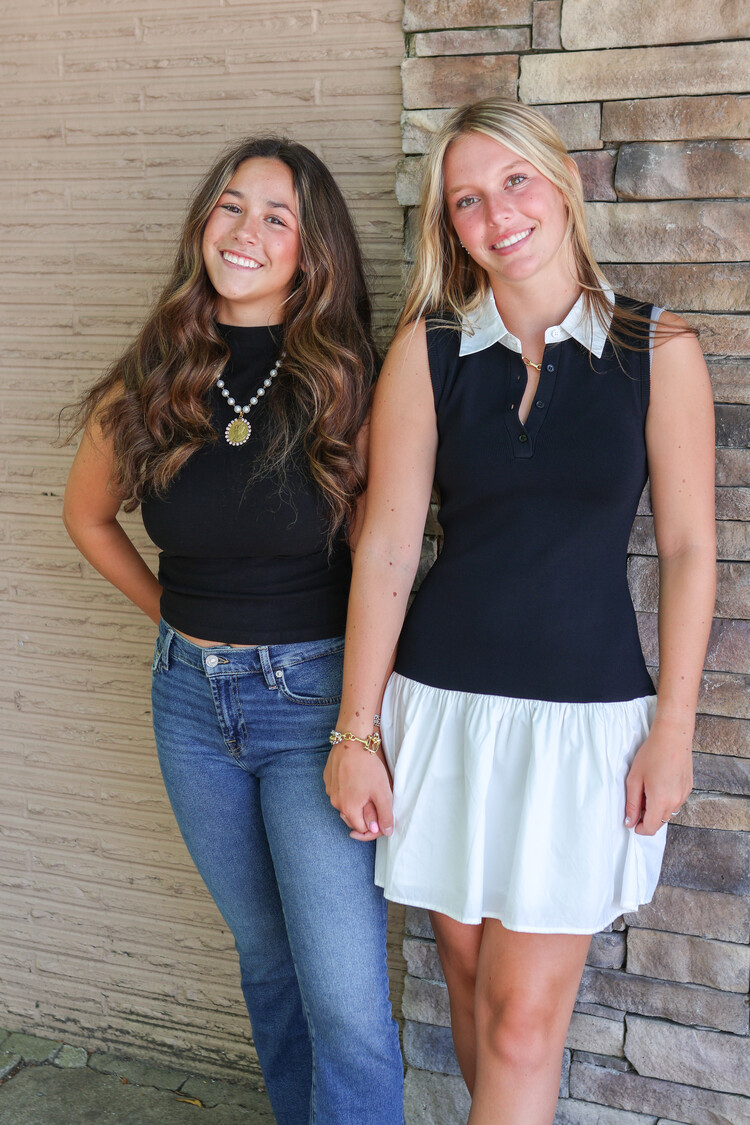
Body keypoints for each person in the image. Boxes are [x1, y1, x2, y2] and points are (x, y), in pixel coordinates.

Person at [325, 98, 715, 1125]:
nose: (496, 215)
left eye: (514, 182)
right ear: (449, 226)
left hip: (587, 729)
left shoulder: (657, 348)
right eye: (467, 200)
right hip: (442, 715)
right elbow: (388, 549)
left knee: (519, 1029)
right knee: (471, 997)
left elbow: (687, 551)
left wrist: (675, 728)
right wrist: (356, 734)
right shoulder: (430, 351)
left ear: (563, 182)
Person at [62, 135, 403, 1125]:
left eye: (277, 216)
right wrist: (172, 618)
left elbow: (385, 563)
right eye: (231, 205)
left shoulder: (350, 383)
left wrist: (361, 726)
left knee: (343, 997)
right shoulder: (153, 377)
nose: (246, 230)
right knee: (266, 961)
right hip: (188, 707)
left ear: (312, 252)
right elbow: (87, 516)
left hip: (315, 706)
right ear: (202, 224)